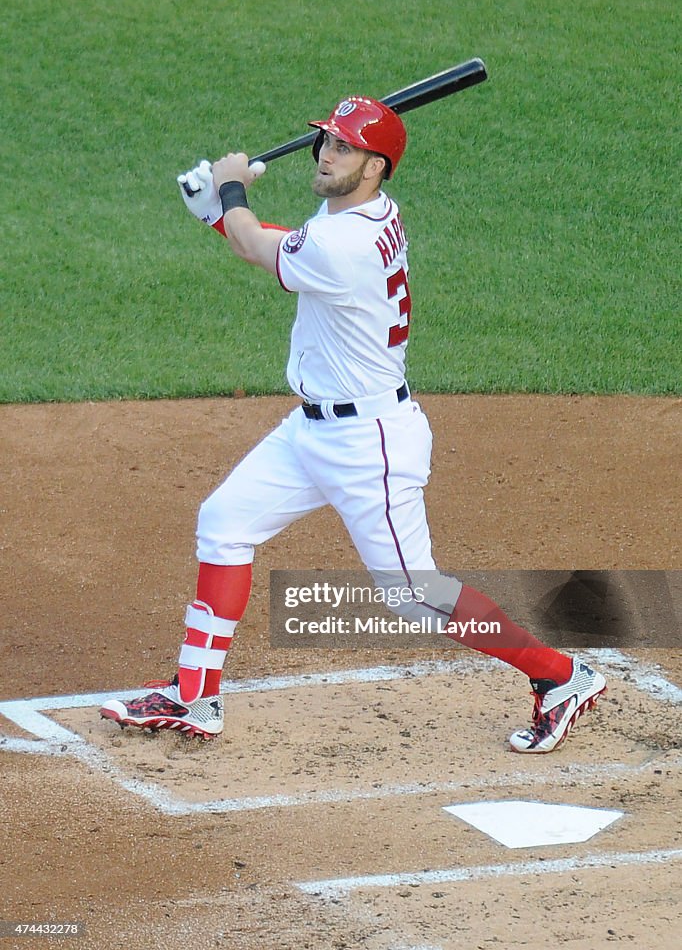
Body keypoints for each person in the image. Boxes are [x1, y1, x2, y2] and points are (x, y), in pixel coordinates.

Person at [100, 96, 606, 752]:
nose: (325, 154)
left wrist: (226, 189)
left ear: (376, 166)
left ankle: (561, 677)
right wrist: (219, 211)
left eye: (342, 146)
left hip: (370, 445)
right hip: (312, 430)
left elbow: (258, 245)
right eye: (325, 141)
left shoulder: (345, 241)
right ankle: (195, 697)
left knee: (416, 597)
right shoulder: (358, 215)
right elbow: (278, 244)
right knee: (224, 523)